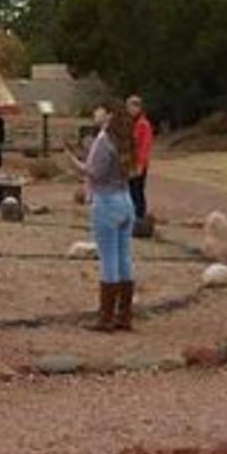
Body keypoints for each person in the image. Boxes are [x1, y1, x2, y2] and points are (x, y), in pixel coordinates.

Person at [84, 100, 138, 331]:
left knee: (109, 259)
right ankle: (124, 314)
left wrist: (75, 163)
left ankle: (106, 317)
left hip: (107, 201)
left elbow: (95, 173)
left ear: (108, 115)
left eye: (99, 109)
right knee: (124, 257)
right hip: (125, 199)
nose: (95, 113)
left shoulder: (104, 140)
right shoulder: (124, 140)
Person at [127, 94, 155, 227]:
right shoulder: (130, 123)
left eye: (133, 107)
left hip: (139, 163)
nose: (131, 110)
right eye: (129, 107)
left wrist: (141, 164)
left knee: (137, 190)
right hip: (129, 162)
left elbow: (145, 146)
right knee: (130, 189)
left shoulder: (144, 125)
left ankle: (139, 217)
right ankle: (131, 216)